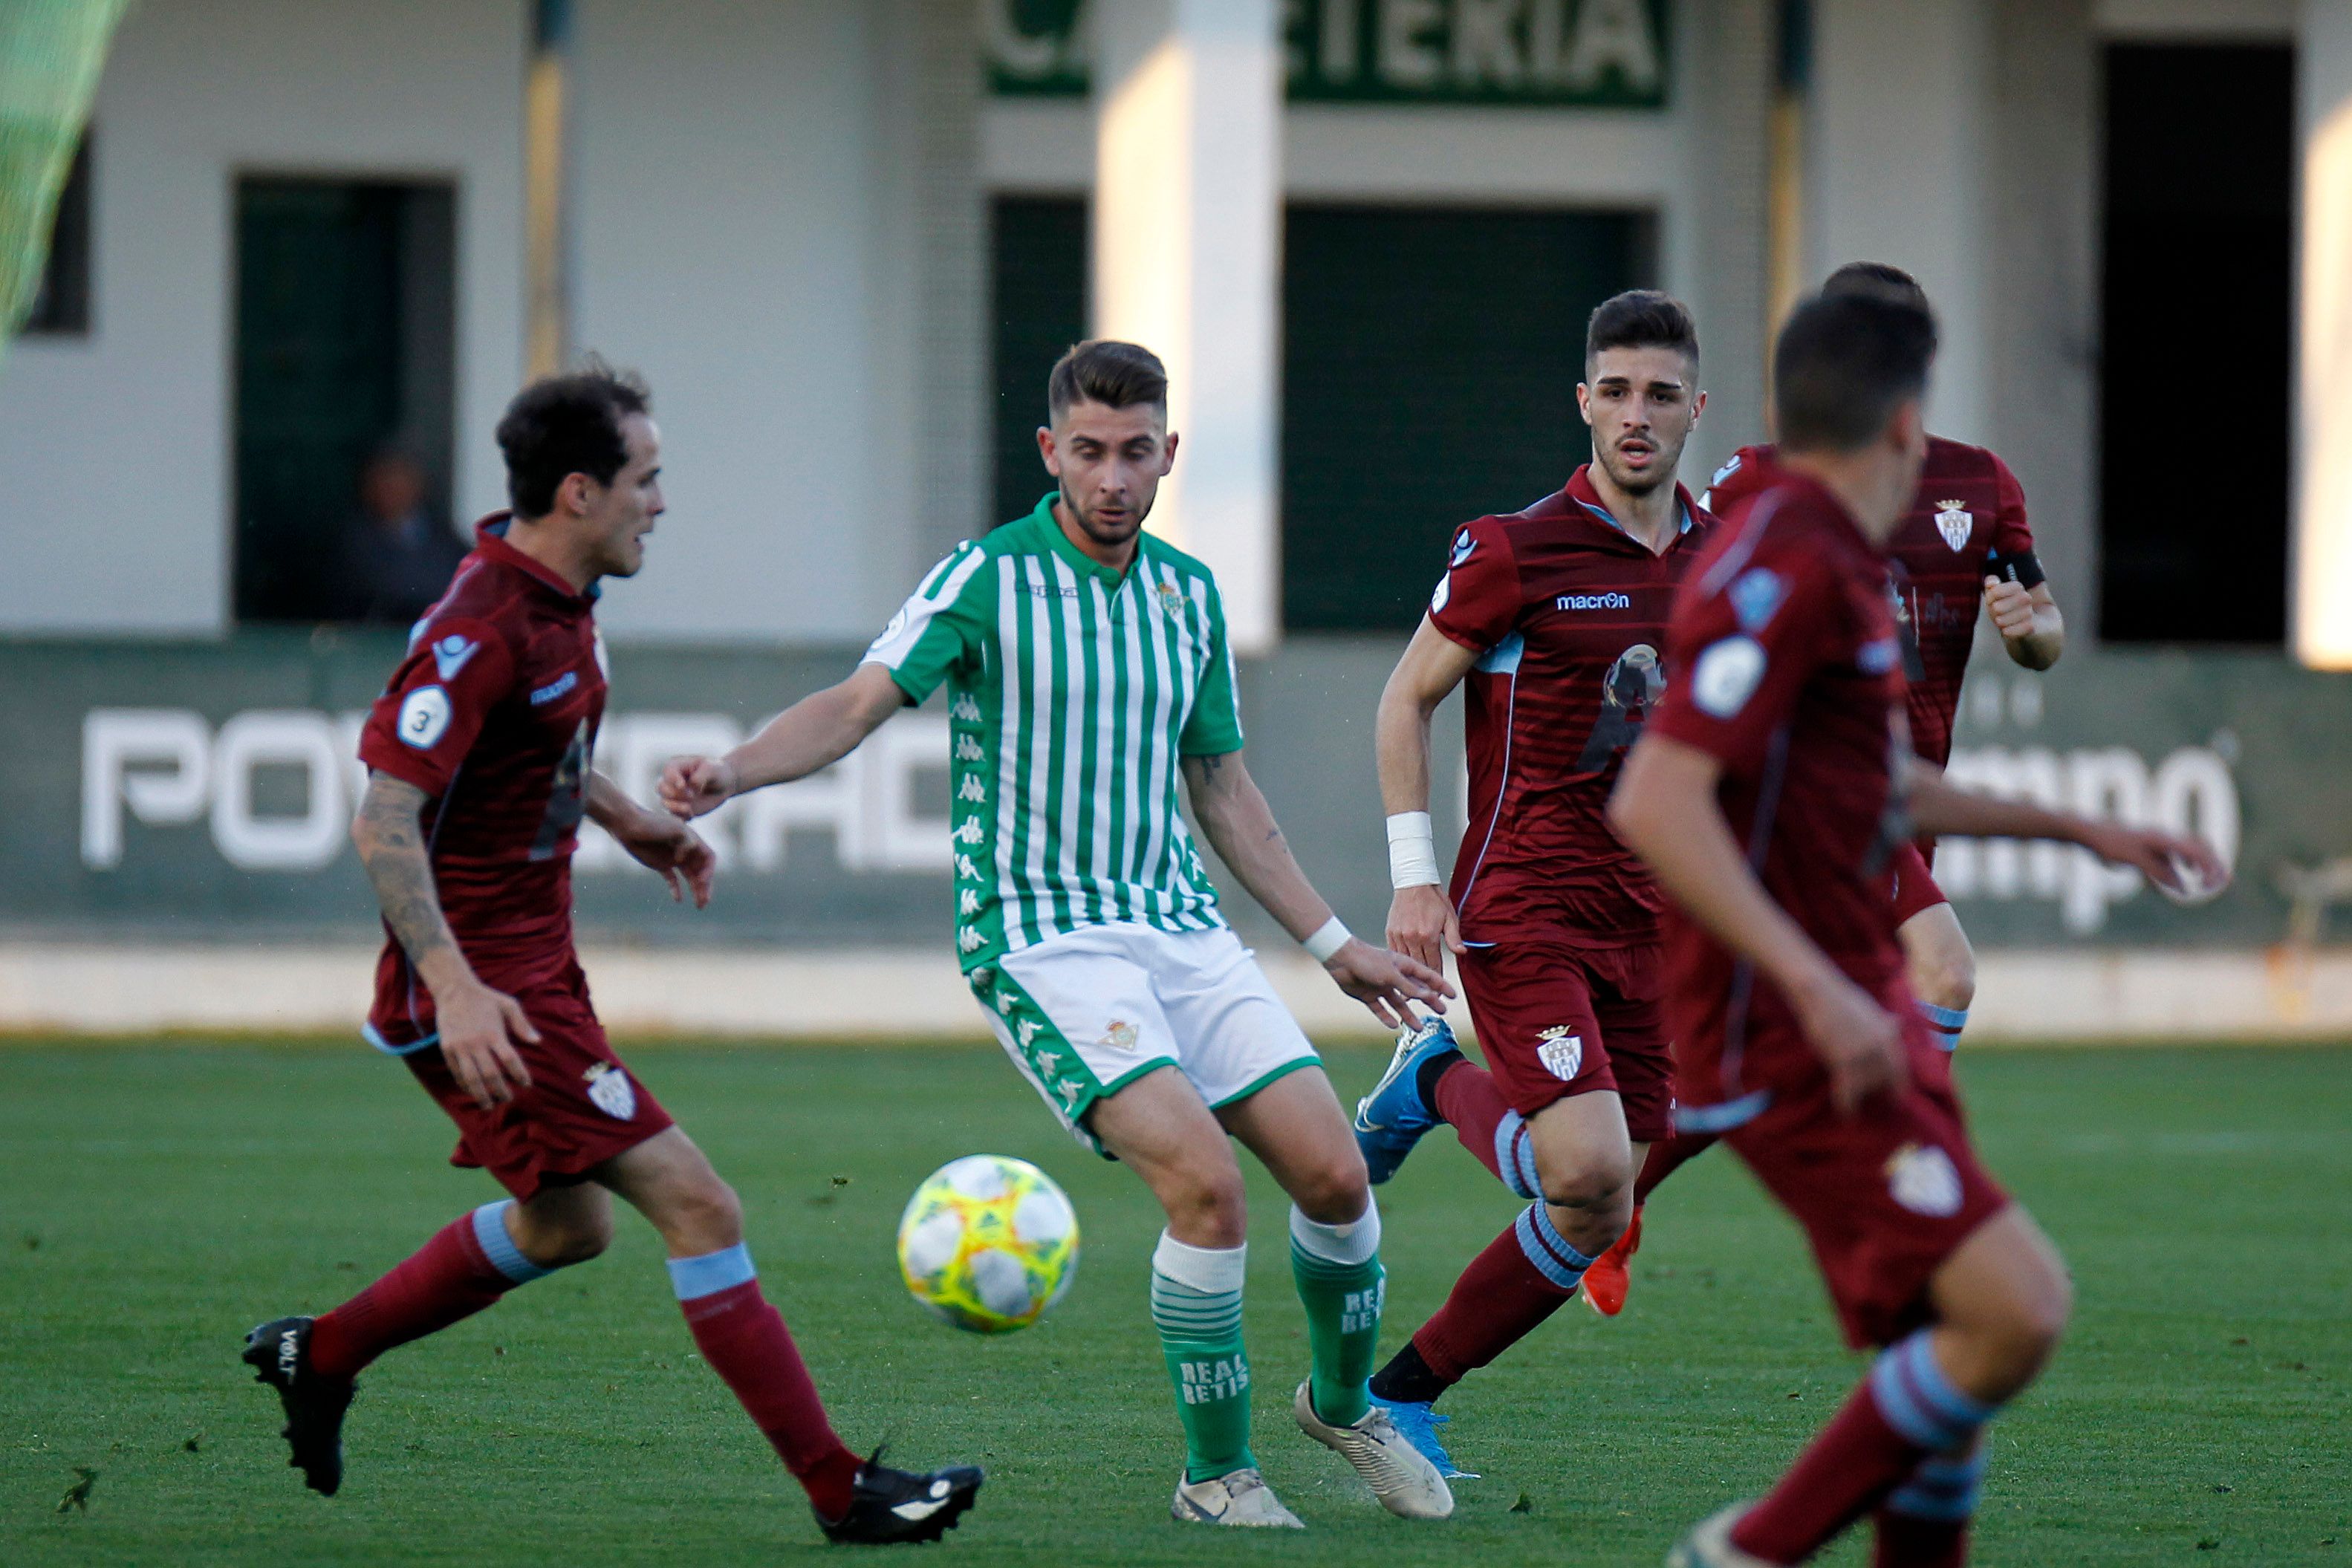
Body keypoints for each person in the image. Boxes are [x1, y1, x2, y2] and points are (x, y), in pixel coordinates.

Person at [659, 340, 1457, 1529]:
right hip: (1042, 941)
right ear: (1050, 452)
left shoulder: (1187, 594)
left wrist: (1332, 939)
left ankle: (1341, 1402)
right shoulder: (985, 578)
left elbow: (1224, 793)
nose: (1114, 477)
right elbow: (853, 703)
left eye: (1137, 452)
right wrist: (729, 769)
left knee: (1337, 1174)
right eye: (1089, 451)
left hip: (1181, 929)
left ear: (1168, 453)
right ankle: (1216, 1473)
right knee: (1205, 1183)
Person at [241, 366, 983, 1546]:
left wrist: (624, 813)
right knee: (700, 1201)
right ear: (579, 491)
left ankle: (318, 1352)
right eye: (647, 479)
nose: (662, 503)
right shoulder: (481, 622)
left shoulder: (552, 600)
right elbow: (383, 815)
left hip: (529, 970)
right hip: (493, 992)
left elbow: (520, 748)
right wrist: (458, 987)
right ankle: (841, 1487)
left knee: (565, 1227)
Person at [1606, 289, 2226, 1567]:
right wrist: (1818, 990)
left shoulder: (1823, 552)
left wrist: (2090, 834)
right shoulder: (1786, 559)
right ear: (1905, 423)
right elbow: (1658, 795)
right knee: (2015, 1314)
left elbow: (1877, 783)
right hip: (1797, 1028)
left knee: (1949, 1368)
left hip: (1852, 1005)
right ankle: (1746, 1552)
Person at [1591, 263, 2068, 1313]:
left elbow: (2039, 623)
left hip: (1899, 797)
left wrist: (2035, 638)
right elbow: (1686, 597)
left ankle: (1618, 1195)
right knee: (1941, 971)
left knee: (1754, 1060)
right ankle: (1919, 1217)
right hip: (1812, 796)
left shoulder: (1979, 483)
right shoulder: (1758, 483)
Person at [1344, 291, 1715, 1475]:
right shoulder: (1515, 548)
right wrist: (1415, 880)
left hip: (1654, 922)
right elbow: (1405, 698)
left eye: (1659, 393)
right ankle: (1382, 1399)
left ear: (1694, 409)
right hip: (1525, 906)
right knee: (1591, 1169)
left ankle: (1435, 1088)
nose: (1636, 414)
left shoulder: (1727, 558)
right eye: (1614, 389)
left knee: (1607, 1195)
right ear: (1583, 403)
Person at [337, 446, 469, 625]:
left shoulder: (445, 539)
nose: (390, 489)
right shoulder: (353, 542)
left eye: (398, 480)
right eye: (383, 481)